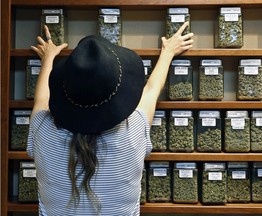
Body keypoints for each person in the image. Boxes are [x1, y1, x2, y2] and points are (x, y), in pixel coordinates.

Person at [27, 22, 193, 215]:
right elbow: (151, 90)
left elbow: (42, 99)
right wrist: (168, 52)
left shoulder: (41, 129)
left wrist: (48, 59)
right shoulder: (134, 130)